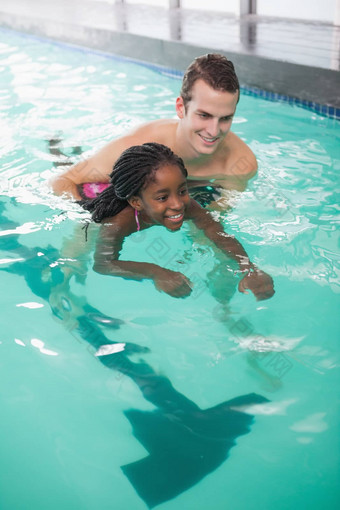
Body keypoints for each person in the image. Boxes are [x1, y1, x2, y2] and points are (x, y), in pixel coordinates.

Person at [50, 53, 257, 206]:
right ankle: (56, 144)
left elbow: (213, 226)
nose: (213, 131)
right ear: (180, 108)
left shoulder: (240, 165)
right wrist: (87, 214)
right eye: (204, 115)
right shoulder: (137, 148)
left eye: (225, 118)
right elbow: (63, 180)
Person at [82, 142, 274, 300]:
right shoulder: (118, 223)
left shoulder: (186, 204)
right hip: (91, 196)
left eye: (182, 191)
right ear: (136, 202)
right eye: (163, 197)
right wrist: (156, 272)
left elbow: (215, 230)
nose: (178, 204)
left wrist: (248, 267)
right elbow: (103, 264)